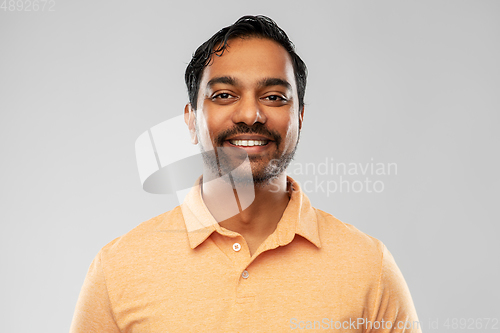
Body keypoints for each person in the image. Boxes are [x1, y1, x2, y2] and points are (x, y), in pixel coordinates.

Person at [70, 15, 421, 332]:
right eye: (224, 95)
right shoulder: (118, 269)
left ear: (299, 119)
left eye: (274, 97)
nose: (250, 114)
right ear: (191, 121)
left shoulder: (368, 266)